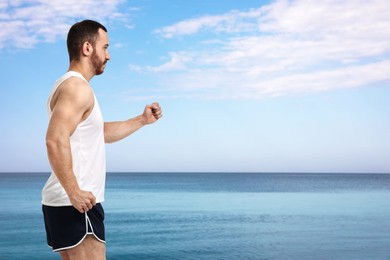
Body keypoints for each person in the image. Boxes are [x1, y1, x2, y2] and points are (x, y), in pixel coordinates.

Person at [42, 20, 162, 260]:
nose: (108, 55)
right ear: (87, 48)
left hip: (70, 203)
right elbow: (54, 140)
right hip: (77, 203)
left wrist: (142, 120)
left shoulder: (69, 86)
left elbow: (98, 133)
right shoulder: (77, 88)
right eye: (105, 47)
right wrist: (74, 191)